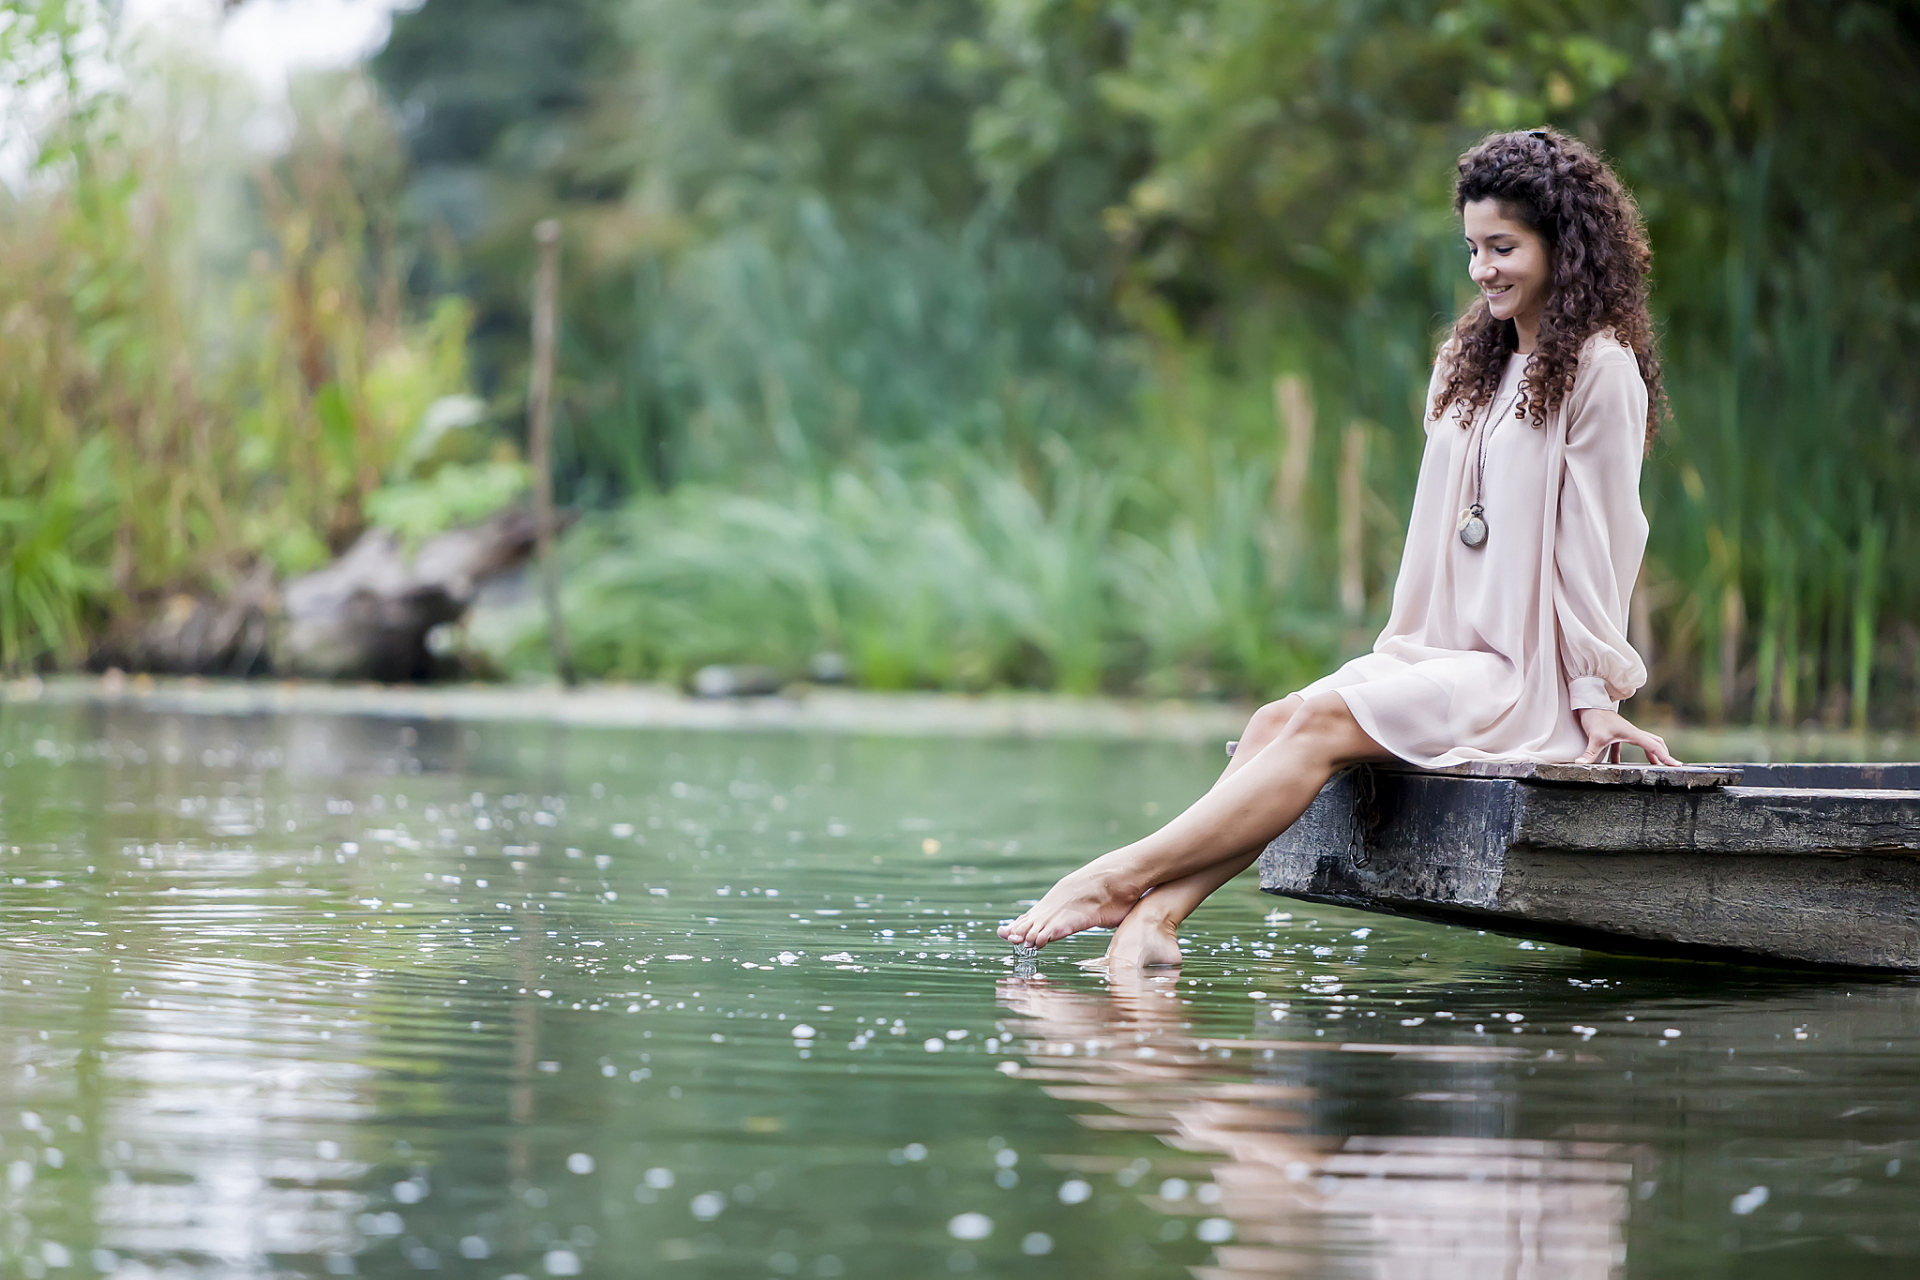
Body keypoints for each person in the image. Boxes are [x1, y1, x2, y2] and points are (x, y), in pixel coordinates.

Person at [999, 127, 1681, 969]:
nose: (1483, 270)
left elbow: (1601, 542)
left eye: (1503, 248)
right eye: (1471, 248)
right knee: (1274, 717)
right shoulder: (1470, 360)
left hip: (1522, 677)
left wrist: (1592, 693)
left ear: (1563, 244)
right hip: (1440, 652)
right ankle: (1159, 916)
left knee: (1320, 718)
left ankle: (1121, 874)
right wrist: (1404, 657)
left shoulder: (1601, 368)